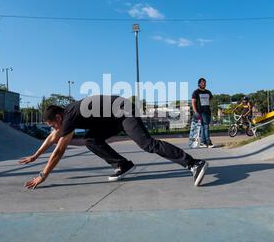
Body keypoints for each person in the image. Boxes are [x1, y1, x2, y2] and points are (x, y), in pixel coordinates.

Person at [20, 95, 208, 189]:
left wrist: (42, 175)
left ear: (59, 118)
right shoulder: (67, 115)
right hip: (111, 118)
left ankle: (194, 163)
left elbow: (59, 150)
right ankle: (123, 165)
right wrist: (36, 155)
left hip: (124, 111)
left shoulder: (69, 117)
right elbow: (53, 137)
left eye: (53, 125)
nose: (53, 129)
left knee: (147, 144)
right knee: (91, 140)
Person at [191, 78, 214, 148]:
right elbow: (193, 102)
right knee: (206, 126)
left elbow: (211, 101)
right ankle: (208, 142)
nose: (204, 84)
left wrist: (211, 109)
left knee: (203, 127)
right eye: (202, 83)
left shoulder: (208, 92)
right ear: (199, 84)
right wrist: (195, 112)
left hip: (207, 112)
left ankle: (202, 143)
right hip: (200, 112)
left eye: (204, 83)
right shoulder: (196, 92)